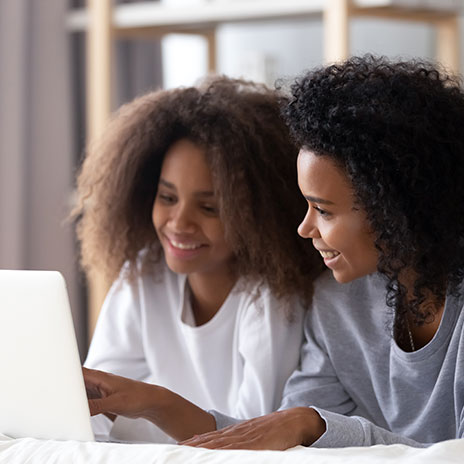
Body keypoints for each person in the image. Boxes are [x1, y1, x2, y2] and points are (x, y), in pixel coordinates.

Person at [177, 55, 464, 448]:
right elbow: (281, 438)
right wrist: (151, 403)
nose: (304, 227)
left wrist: (316, 426)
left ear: (395, 208)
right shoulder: (337, 302)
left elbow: (309, 427)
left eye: (324, 210)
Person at [75, 76, 324, 443]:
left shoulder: (272, 296)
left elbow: (253, 435)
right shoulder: (146, 273)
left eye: (209, 207)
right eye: (167, 197)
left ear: (257, 213)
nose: (179, 224)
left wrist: (153, 405)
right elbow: (93, 414)